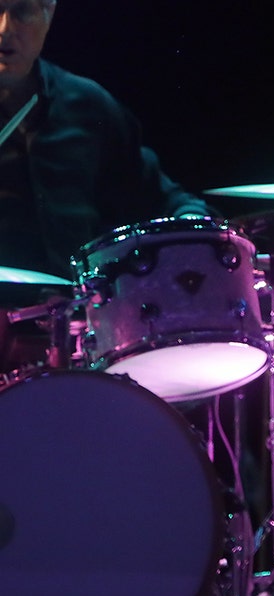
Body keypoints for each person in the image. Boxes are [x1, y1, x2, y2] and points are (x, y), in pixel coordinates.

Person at [0, 0, 214, 369]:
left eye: (21, 11)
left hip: (77, 335)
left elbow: (162, 198)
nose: (4, 29)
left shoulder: (88, 106)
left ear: (48, 15)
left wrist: (195, 225)